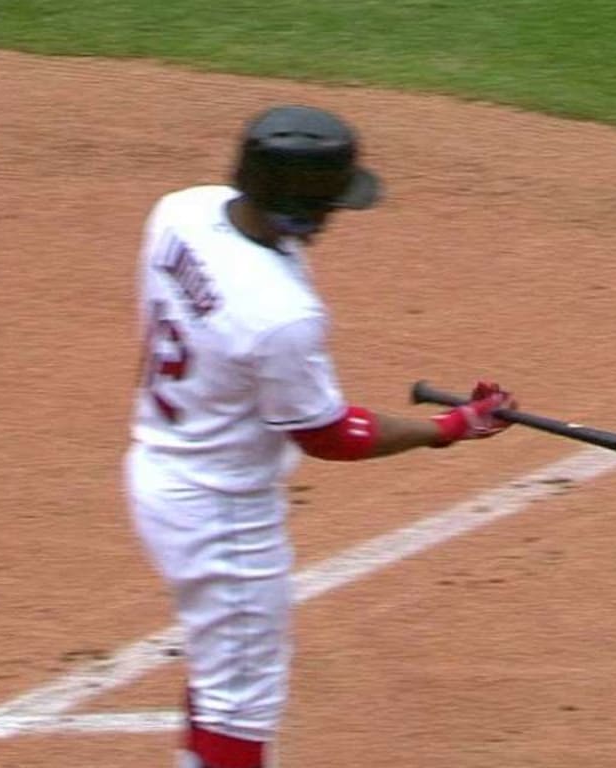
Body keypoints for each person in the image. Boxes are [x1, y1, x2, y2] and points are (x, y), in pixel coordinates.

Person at [125, 104, 518, 768]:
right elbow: (330, 434)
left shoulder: (181, 211)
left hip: (159, 468)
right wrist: (448, 428)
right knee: (238, 709)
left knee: (223, 678)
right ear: (302, 208)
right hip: (221, 514)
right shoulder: (279, 313)